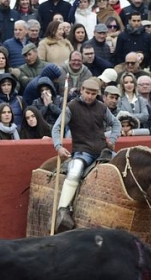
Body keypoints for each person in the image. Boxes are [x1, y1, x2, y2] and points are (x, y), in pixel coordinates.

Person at [52, 78, 121, 232]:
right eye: (87, 92)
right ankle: (62, 211)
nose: (90, 96)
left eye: (93, 93)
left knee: (122, 167)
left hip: (103, 150)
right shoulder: (71, 107)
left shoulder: (102, 107)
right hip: (83, 151)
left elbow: (116, 124)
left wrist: (113, 139)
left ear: (98, 94)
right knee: (75, 170)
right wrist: (58, 146)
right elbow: (56, 128)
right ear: (81, 90)